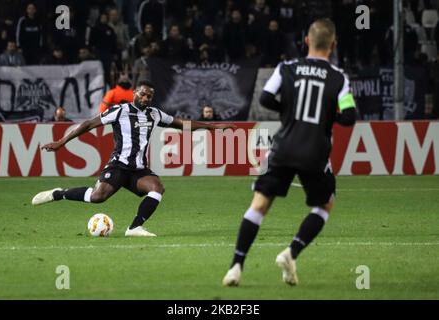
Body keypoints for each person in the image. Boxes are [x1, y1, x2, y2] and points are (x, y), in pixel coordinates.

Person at [222, 18, 357, 286]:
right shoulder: (338, 77)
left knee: (259, 206)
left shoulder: (286, 67)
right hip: (315, 151)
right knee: (325, 204)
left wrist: (289, 111)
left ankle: (236, 266)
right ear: (333, 45)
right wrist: (328, 116)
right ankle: (291, 252)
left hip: (284, 147)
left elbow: (265, 98)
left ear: (306, 41)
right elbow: (350, 117)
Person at [32, 80, 234, 237]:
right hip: (119, 165)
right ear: (135, 93)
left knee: (157, 188)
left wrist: (212, 127)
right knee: (97, 197)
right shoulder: (120, 111)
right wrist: (62, 142)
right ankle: (59, 194)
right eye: (143, 94)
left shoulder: (154, 114)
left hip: (138, 169)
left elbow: (182, 123)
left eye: (150, 96)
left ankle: (135, 227)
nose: (146, 98)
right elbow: (88, 124)